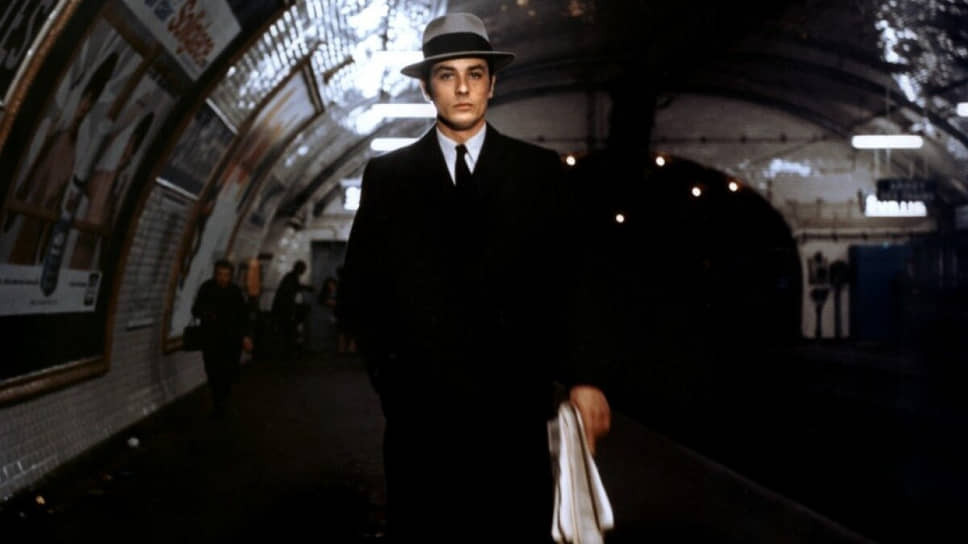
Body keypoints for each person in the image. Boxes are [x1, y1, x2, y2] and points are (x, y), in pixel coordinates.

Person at [337, 13, 611, 542]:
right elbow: (361, 295)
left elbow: (573, 281)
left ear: (492, 84)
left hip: (514, 419)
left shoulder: (538, 172)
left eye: (475, 74)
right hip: (421, 425)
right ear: (426, 87)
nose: (462, 88)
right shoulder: (389, 178)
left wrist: (586, 378)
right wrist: (395, 386)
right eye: (447, 75)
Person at [191, 259, 253, 416]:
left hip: (232, 340)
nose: (223, 278)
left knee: (229, 371)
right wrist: (208, 313)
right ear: (215, 274)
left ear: (231, 276)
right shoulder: (207, 288)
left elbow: (243, 316)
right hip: (212, 339)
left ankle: (222, 401)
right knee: (212, 371)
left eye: (226, 275)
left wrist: (246, 336)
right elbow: (195, 309)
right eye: (220, 274)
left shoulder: (235, 291)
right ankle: (218, 402)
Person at [271, 260, 312, 359]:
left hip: (282, 308)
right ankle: (286, 353)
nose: (304, 271)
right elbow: (291, 291)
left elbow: (295, 288)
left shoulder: (291, 277)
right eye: (303, 269)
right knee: (286, 330)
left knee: (287, 330)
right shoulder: (292, 277)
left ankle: (286, 352)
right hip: (283, 309)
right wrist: (307, 288)